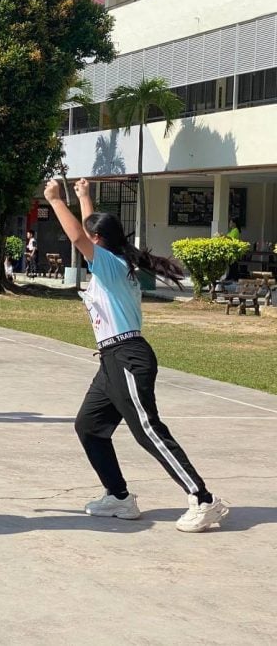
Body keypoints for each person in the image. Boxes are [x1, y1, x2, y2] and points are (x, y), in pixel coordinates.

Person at [45, 177, 229, 533]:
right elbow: (89, 232)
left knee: (147, 430)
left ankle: (203, 499)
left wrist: (55, 200)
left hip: (128, 356)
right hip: (112, 360)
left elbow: (80, 237)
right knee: (90, 427)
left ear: (99, 242)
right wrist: (84, 196)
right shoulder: (112, 262)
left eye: (92, 237)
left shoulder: (110, 266)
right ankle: (118, 497)